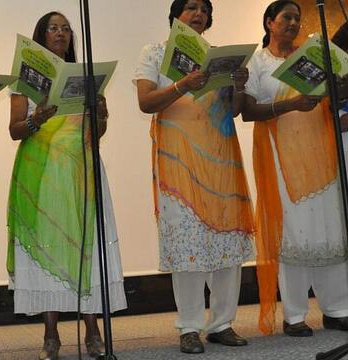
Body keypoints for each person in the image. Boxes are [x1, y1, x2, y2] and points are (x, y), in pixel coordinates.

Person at [134, 0, 254, 354]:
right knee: (186, 244)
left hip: (220, 159)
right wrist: (183, 84)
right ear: (175, 15)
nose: (198, 13)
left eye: (203, 8)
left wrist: (240, 87)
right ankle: (189, 327)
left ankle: (222, 324)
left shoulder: (219, 55)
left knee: (227, 243)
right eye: (190, 7)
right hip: (178, 163)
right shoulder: (155, 53)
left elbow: (231, 111)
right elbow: (146, 103)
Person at [6, 11, 127, 360]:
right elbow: (15, 130)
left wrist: (101, 114)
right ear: (41, 35)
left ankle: (92, 330)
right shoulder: (26, 77)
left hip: (83, 170)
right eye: (53, 28)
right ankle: (50, 335)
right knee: (48, 246)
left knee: (88, 246)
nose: (60, 34)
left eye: (65, 29)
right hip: (42, 174)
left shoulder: (83, 77)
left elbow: (96, 135)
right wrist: (36, 118)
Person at [243, 0, 348, 338]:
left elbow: (336, 97)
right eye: (286, 17)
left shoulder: (312, 55)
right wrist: (291, 103)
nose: (293, 23)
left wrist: (339, 81)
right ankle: (295, 315)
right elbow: (248, 112)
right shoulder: (257, 62)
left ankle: (337, 309)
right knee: (293, 236)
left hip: (321, 152)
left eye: (296, 19)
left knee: (330, 230)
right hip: (280, 158)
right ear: (269, 22)